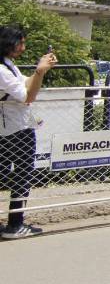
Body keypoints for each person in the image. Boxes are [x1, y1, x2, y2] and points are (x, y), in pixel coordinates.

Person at [0, 25, 56, 239]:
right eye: (20, 43)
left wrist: (39, 70)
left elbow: (25, 83)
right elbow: (28, 96)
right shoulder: (2, 70)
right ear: (8, 43)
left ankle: (14, 223)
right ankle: (15, 225)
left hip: (12, 127)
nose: (23, 48)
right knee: (22, 175)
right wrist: (40, 71)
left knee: (9, 174)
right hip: (16, 129)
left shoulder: (7, 65)